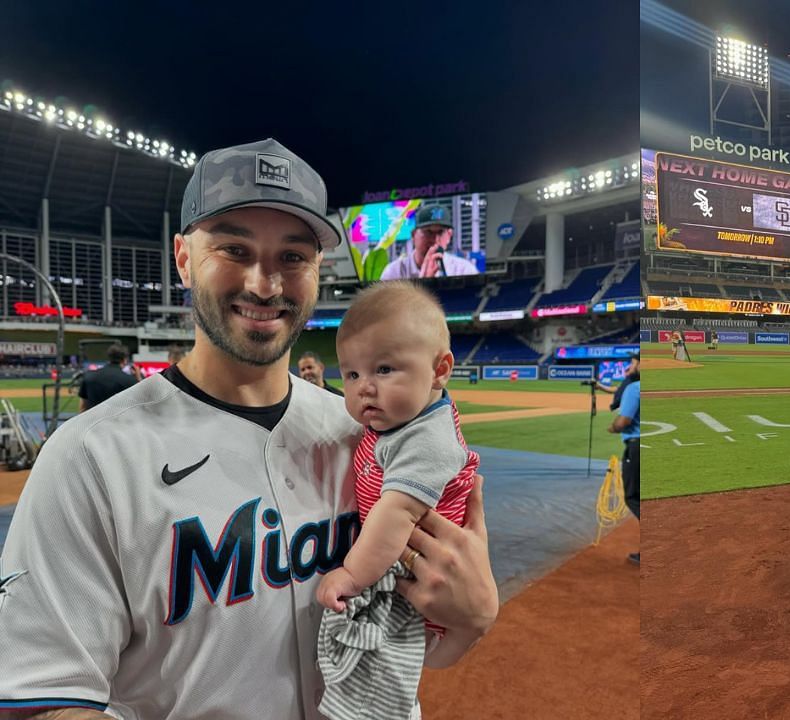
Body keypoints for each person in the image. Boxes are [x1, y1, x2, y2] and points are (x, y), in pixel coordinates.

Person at [0, 138, 497, 720]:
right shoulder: (90, 456)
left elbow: (409, 641)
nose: (266, 285)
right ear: (184, 258)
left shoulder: (366, 436)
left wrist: (473, 618)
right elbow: (42, 698)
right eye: (234, 248)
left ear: (317, 270)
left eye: (293, 256)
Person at [314, 281, 479, 719]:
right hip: (406, 577)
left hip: (415, 587)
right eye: (351, 374)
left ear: (439, 370)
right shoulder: (396, 425)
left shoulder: (426, 438)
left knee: (375, 692)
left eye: (384, 369)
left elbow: (397, 512)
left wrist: (351, 575)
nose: (364, 388)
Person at [379, 205, 479, 280]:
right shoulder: (394, 272)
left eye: (440, 232)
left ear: (449, 236)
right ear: (414, 235)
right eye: (428, 232)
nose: (435, 239)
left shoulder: (464, 270)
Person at [606, 354, 640, 565]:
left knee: (633, 496)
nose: (631, 365)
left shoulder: (634, 388)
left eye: (635, 361)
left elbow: (624, 420)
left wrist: (613, 427)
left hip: (638, 447)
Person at [77, 342, 138, 411]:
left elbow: (82, 408)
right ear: (125, 360)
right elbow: (140, 404)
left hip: (94, 420)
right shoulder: (129, 380)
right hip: (117, 421)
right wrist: (138, 378)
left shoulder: (89, 376)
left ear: (109, 357)